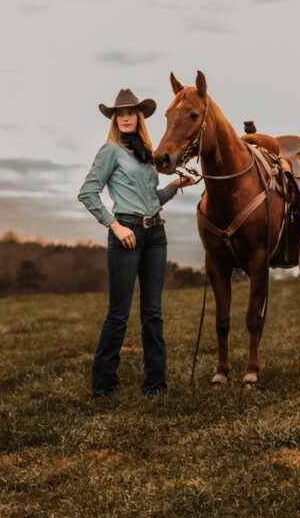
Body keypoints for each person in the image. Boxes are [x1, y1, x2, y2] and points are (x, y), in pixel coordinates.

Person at [77, 88, 194, 399]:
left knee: (153, 314)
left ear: (139, 117)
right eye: (120, 113)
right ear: (115, 119)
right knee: (118, 314)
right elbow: (87, 192)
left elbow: (150, 201)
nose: (126, 117)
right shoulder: (110, 151)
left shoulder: (145, 154)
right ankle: (104, 387)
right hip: (126, 233)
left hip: (156, 236)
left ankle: (155, 386)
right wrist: (114, 226)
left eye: (131, 112)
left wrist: (174, 186)